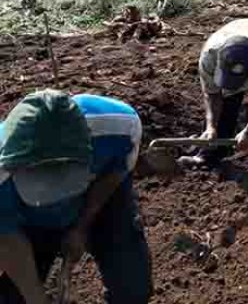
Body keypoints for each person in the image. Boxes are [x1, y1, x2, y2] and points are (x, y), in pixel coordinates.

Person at [0, 90, 151, 304]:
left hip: (99, 192)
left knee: (132, 289)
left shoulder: (118, 128)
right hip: (25, 215)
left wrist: (82, 225)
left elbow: (116, 171)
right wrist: (36, 298)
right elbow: (6, 238)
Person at [185, 18, 248, 200]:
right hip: (235, 40)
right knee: (225, 104)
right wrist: (211, 127)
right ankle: (210, 155)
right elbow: (212, 94)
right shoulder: (209, 55)